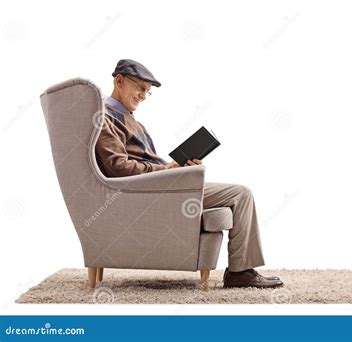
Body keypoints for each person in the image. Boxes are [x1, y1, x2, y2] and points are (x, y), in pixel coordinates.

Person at [95, 59, 283, 288]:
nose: (144, 95)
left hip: (160, 185)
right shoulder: (106, 117)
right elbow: (118, 167)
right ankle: (239, 273)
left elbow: (142, 162)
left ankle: (240, 271)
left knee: (235, 193)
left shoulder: (129, 119)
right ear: (119, 80)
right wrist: (166, 170)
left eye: (148, 91)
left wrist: (178, 168)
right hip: (149, 191)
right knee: (240, 194)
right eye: (141, 88)